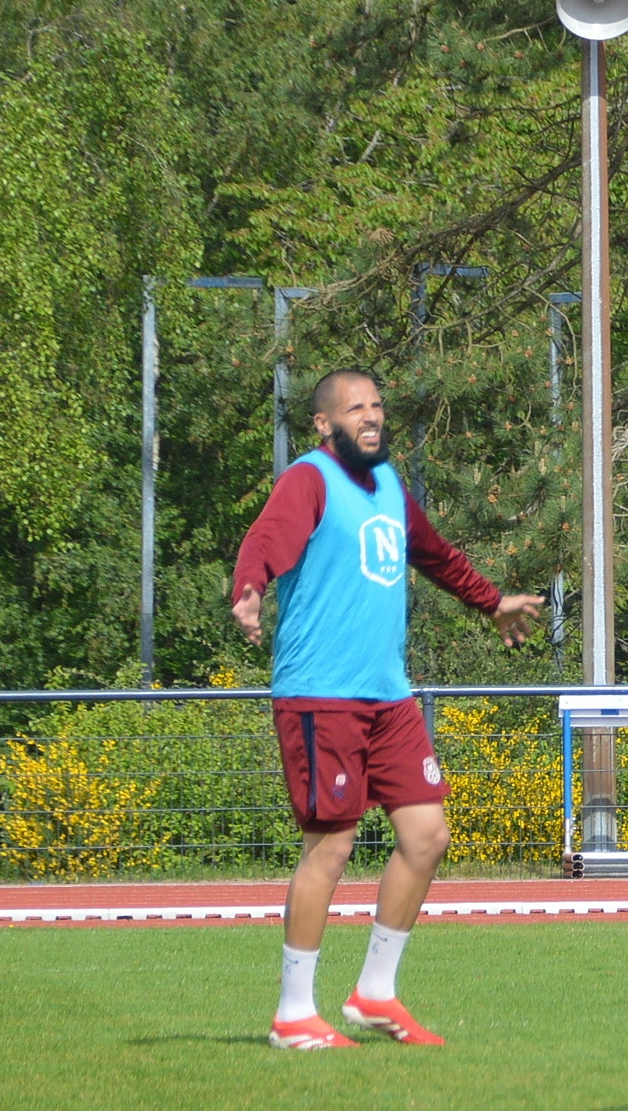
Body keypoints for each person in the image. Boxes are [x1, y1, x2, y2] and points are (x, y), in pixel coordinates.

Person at [232, 369, 542, 1049]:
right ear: (324, 424)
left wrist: (492, 602)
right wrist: (249, 589)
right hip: (322, 693)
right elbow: (265, 542)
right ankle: (293, 1012)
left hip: (388, 695)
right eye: (355, 408)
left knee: (427, 835)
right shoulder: (309, 479)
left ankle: (374, 993)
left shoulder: (392, 485)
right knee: (332, 846)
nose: (371, 416)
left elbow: (435, 554)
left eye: (376, 406)